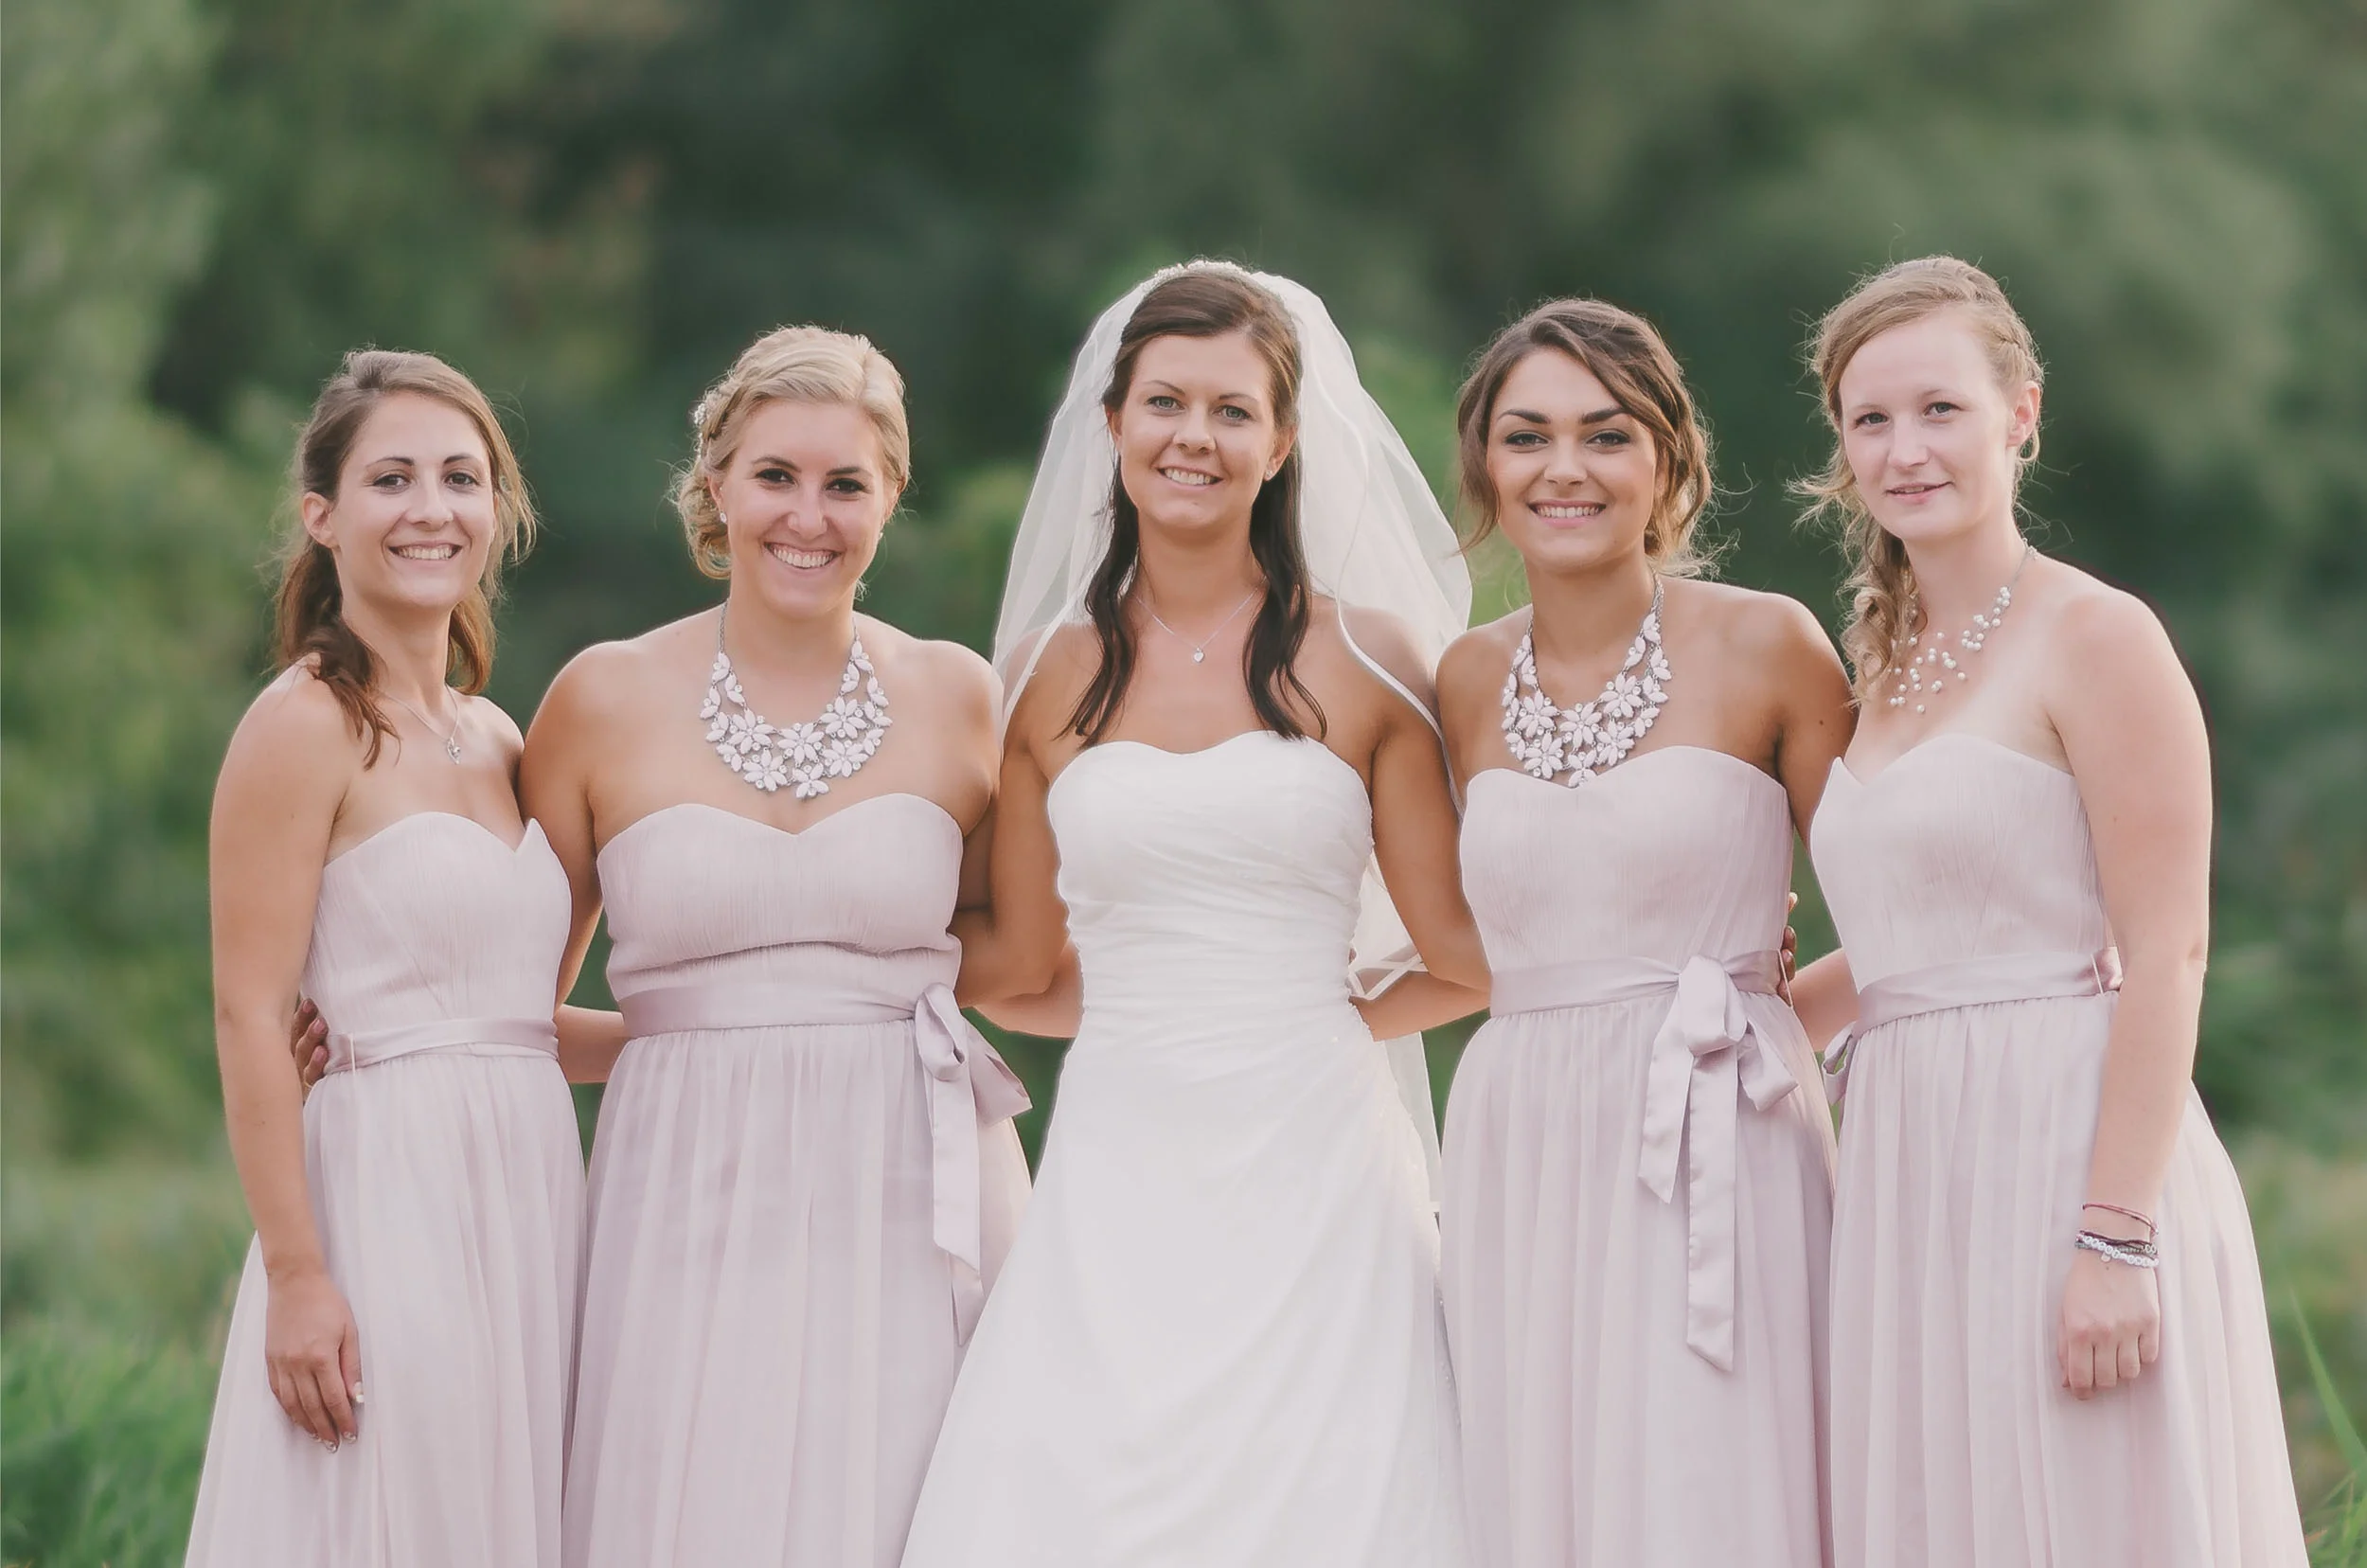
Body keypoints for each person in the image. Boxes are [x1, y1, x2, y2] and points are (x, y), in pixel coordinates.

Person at [899, 262, 1484, 1567]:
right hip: (1120, 1146)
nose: (1194, 438)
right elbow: (1023, 964)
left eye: (1232, 410)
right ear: (1113, 423)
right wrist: (845, 959)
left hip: (1321, 1155)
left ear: (1282, 443)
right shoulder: (1047, 675)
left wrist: (1324, 1019)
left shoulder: (1370, 658)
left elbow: (1466, 957)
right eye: (1165, 402)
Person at [1791, 256, 2307, 1567]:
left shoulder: (2098, 636)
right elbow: (1923, 944)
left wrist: (2115, 1240)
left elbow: (2169, 948)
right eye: (1870, 420)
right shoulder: (1883, 663)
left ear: (2019, 413)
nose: (1905, 450)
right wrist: (1732, 1026)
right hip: (1910, 1173)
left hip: (2065, 1153)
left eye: (1939, 409)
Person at [530, 325, 1035, 1568]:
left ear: (891, 497)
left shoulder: (962, 697)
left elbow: (1021, 959)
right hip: (681, 1183)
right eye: (775, 476)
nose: (808, 516)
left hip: (914, 1186)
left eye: (845, 483)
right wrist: (690, 1049)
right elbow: (517, 1008)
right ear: (716, 484)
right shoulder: (598, 699)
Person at [1433, 299, 1847, 1567]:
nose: (1564, 467)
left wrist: (1770, 1017)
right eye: (1527, 437)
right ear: (1485, 468)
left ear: (1668, 460)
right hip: (1520, 1140)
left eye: (1605, 435)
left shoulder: (1770, 643)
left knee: (1709, 1482)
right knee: (1542, 1480)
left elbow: (1902, 908)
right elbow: (1457, 942)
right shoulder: (1459, 682)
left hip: (1723, 1130)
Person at [187, 349, 585, 1566]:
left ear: (496, 511)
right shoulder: (302, 725)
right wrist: (300, 1275)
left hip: (530, 1196)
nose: (431, 508)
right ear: (323, 515)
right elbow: (250, 1015)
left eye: (461, 478)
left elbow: (513, 1024)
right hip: (387, 1193)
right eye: (392, 478)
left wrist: (733, 1031)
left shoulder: (499, 736)